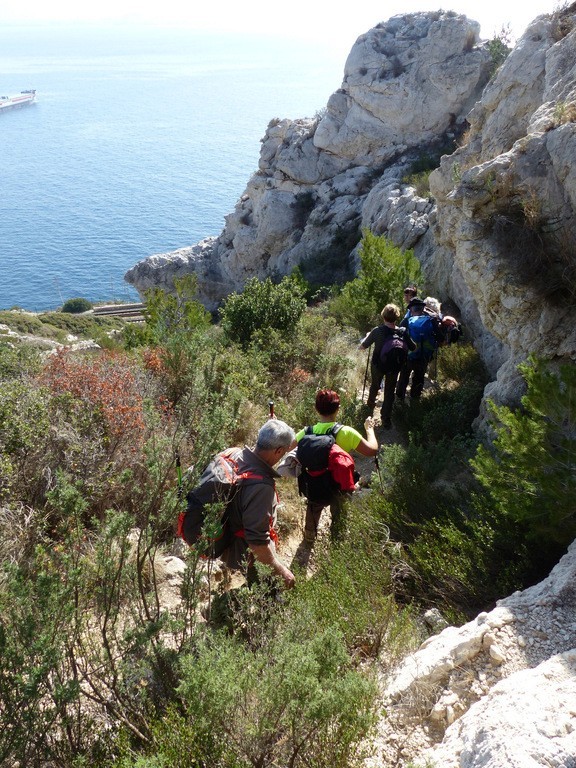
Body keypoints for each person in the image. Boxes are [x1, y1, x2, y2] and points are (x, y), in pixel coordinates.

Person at [218, 419, 297, 589]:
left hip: (227, 537)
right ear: (278, 450)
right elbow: (258, 544)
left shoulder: (234, 453)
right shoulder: (261, 487)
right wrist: (282, 571)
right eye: (282, 453)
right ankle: (222, 610)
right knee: (263, 589)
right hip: (247, 553)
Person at [294, 389, 377, 542]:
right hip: (340, 483)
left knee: (313, 506)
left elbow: (287, 446)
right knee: (340, 508)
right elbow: (372, 450)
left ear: (316, 409)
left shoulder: (306, 432)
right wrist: (369, 430)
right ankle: (337, 537)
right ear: (338, 409)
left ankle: (309, 536)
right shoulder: (346, 432)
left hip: (315, 482)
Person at [359, 303, 416, 428]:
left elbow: (362, 347)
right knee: (390, 391)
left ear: (383, 316)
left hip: (378, 365)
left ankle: (369, 409)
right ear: (396, 317)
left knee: (375, 385)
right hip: (394, 367)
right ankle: (386, 419)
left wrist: (368, 337)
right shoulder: (402, 332)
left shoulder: (377, 331)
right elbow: (413, 347)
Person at [396, 297, 440, 401]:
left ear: (411, 309)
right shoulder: (431, 319)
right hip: (424, 356)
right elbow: (440, 337)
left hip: (409, 356)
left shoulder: (407, 320)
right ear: (423, 308)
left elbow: (398, 332)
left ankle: (399, 398)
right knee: (419, 378)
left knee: (404, 377)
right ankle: (415, 400)